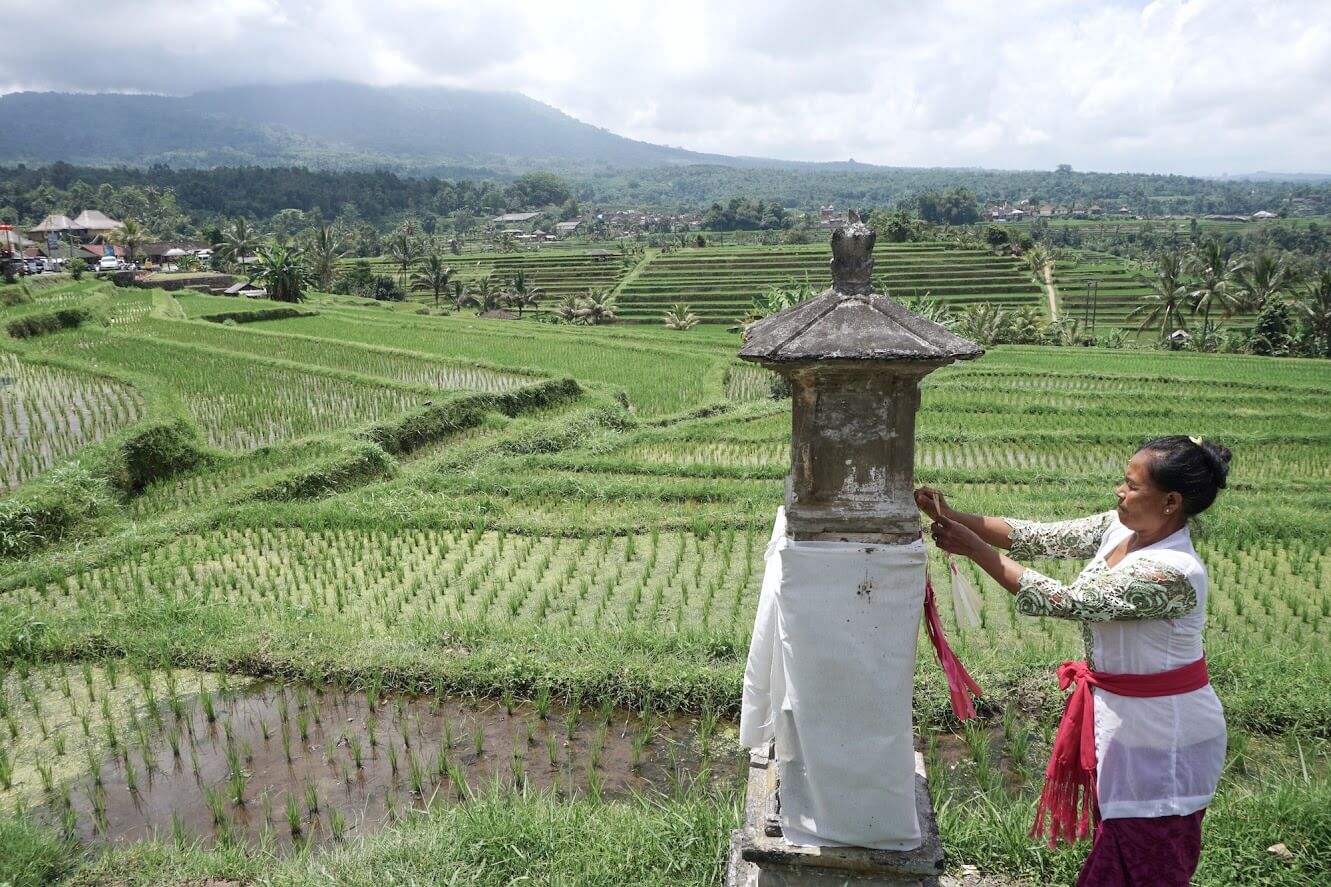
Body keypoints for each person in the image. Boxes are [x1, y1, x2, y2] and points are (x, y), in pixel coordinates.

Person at [915, 435, 1231, 887]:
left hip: (1166, 739)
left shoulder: (1173, 572)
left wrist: (976, 550)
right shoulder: (1122, 528)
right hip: (1124, 725)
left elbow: (1071, 600)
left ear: (1170, 501)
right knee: (1122, 847)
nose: (1120, 493)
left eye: (1132, 486)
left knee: (1148, 861)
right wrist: (948, 516)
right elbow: (1040, 537)